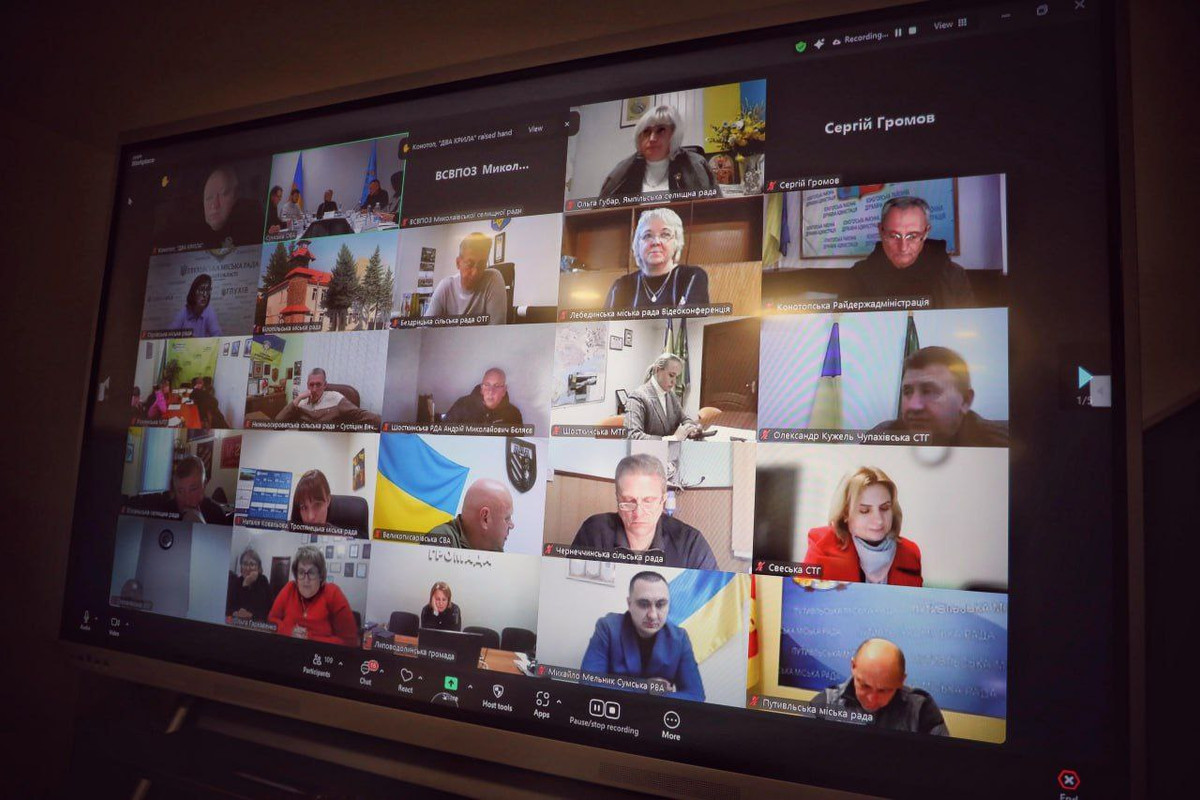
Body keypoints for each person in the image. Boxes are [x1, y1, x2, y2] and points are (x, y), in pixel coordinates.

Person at [571, 453, 717, 570]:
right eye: (629, 501)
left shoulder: (691, 544)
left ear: (663, 500)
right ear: (617, 498)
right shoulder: (593, 533)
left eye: (648, 501)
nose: (638, 513)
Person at [580, 571, 705, 701]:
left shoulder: (680, 638)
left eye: (661, 604)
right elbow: (588, 683)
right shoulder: (608, 628)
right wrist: (644, 687)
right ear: (629, 604)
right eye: (644, 604)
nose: (653, 615)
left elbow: (696, 695)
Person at [846, 196, 976, 308]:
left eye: (912, 236)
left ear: (926, 233)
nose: (903, 247)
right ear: (881, 231)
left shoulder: (954, 276)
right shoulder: (858, 276)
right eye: (893, 236)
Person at [804, 467, 922, 586]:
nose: (879, 520)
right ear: (845, 513)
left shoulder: (910, 553)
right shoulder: (822, 545)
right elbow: (803, 594)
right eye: (865, 511)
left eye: (885, 508)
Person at [868, 346, 1008, 447]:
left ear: (965, 400)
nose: (913, 406)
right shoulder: (881, 436)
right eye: (907, 391)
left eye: (928, 391)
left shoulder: (1000, 443)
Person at [810, 638, 949, 735]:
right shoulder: (825, 703)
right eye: (865, 686)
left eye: (884, 690)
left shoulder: (921, 709)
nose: (872, 699)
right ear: (853, 666)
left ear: (901, 680)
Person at [598, 105, 721, 199]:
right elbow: (601, 214)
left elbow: (716, 211)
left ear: (673, 135)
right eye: (646, 132)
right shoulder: (621, 172)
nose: (652, 138)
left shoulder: (696, 165)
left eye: (660, 130)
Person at [605, 208, 709, 310]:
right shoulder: (621, 286)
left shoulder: (692, 277)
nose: (656, 242)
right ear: (637, 244)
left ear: (677, 242)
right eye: (647, 235)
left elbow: (693, 320)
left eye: (665, 235)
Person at [267, 545, 358, 646]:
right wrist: (289, 632)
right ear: (296, 575)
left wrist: (309, 638)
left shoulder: (333, 593)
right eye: (301, 572)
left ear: (320, 576)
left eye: (312, 572)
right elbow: (271, 620)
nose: (306, 580)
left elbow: (350, 642)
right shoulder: (290, 588)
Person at [124, 454, 233, 525]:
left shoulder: (217, 514)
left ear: (204, 484)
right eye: (180, 491)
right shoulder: (165, 509)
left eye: (193, 489)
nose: (187, 500)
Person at [424, 233, 508, 325]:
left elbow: (496, 331)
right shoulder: (445, 287)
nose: (475, 272)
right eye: (469, 264)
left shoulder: (493, 279)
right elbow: (424, 329)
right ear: (458, 263)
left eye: (481, 264)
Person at [624, 353, 701, 440]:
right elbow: (631, 436)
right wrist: (673, 438)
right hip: (648, 449)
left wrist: (691, 429)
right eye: (671, 375)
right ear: (657, 370)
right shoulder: (637, 397)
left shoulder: (670, 394)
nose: (674, 382)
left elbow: (685, 418)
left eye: (676, 377)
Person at [426, 479, 514, 552]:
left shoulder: (494, 547)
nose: (512, 525)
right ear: (485, 518)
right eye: (507, 518)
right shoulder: (441, 540)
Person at [275, 368, 381, 427]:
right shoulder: (301, 401)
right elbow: (277, 422)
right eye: (311, 385)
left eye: (318, 385)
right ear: (307, 385)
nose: (314, 389)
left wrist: (385, 424)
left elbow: (361, 415)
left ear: (325, 385)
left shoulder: (335, 398)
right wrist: (298, 399)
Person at [193, 165, 261, 249]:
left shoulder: (253, 228)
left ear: (236, 195)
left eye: (223, 194)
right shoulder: (191, 236)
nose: (215, 205)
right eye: (209, 198)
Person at [443, 368, 523, 427]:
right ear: (481, 388)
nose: (491, 391)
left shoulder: (513, 414)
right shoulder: (462, 405)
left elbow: (515, 443)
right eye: (487, 385)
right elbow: (445, 434)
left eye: (496, 386)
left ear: (504, 390)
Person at [226, 546, 273, 622]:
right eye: (245, 564)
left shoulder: (263, 581)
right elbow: (228, 608)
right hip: (237, 623)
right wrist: (235, 613)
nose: (248, 568)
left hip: (257, 624)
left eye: (252, 564)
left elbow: (269, 609)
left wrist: (251, 615)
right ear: (241, 566)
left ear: (258, 567)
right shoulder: (236, 582)